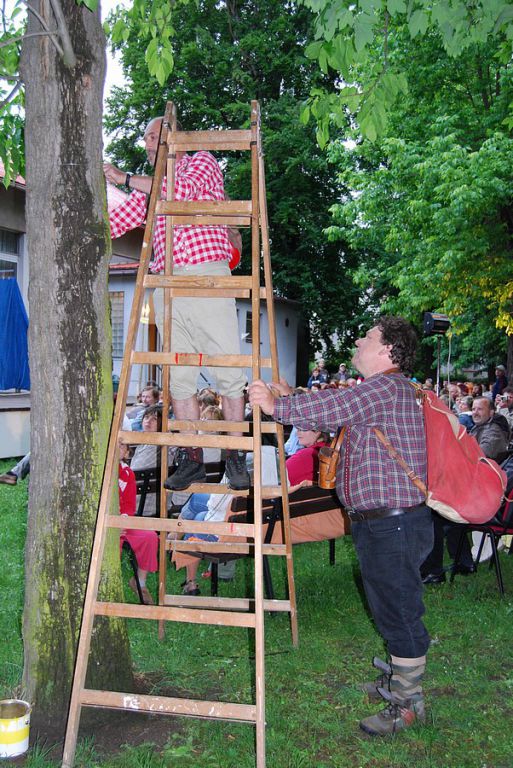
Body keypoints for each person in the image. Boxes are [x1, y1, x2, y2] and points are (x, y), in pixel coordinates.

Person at [249, 316, 432, 737]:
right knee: (390, 604)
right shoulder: (384, 391)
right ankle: (400, 679)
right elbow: (339, 410)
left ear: (387, 350)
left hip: (393, 523)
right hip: (388, 522)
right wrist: (292, 398)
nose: (358, 341)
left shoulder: (385, 388)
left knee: (399, 609)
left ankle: (408, 702)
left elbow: (335, 407)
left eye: (368, 337)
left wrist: (277, 406)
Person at [104, 116, 249, 492]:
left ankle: (235, 456)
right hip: (167, 285)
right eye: (146, 139)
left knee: (227, 369)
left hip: (205, 275)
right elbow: (120, 219)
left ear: (176, 137)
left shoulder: (201, 161)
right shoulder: (150, 188)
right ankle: (191, 458)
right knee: (178, 376)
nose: (148, 144)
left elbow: (178, 191)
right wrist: (85, 227)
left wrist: (122, 177)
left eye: (154, 136)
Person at [118, 440, 158, 605]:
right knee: (114, 542)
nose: (117, 448)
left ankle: (139, 582)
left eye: (122, 446)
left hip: (123, 522)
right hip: (104, 524)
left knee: (150, 537)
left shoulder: (127, 474)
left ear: (127, 453)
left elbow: (129, 507)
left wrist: (123, 521)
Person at [470, 397, 509, 462]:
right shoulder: (479, 425)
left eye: (480, 409)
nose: (475, 413)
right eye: (473, 409)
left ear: (491, 413)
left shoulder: (494, 431)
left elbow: (479, 455)